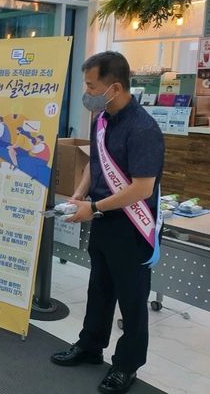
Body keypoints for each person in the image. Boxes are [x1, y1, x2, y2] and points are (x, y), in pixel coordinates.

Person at [50, 52, 164, 394]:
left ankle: (126, 365)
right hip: (103, 221)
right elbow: (94, 164)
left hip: (132, 227)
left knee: (132, 300)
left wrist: (94, 206)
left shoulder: (143, 129)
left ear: (114, 87)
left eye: (91, 86)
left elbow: (142, 188)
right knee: (99, 288)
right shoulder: (102, 120)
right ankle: (90, 346)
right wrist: (79, 195)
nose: (86, 93)